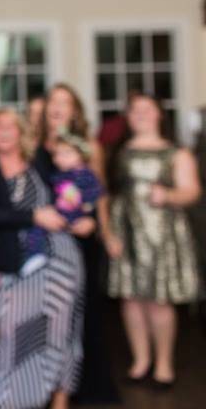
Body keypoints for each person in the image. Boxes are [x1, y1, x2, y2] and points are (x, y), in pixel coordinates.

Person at [0, 109, 90, 409]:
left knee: (61, 326)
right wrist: (34, 215)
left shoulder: (39, 159)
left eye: (11, 127)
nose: (5, 132)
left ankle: (60, 397)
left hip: (60, 255)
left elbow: (72, 185)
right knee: (12, 328)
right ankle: (11, 398)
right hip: (15, 261)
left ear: (21, 132)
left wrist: (83, 216)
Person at [106, 93, 200, 388]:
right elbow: (107, 195)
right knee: (131, 299)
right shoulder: (118, 152)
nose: (141, 114)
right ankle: (141, 361)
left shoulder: (176, 153)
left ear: (160, 114)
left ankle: (164, 365)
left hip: (162, 234)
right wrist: (109, 232)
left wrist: (169, 196)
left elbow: (192, 191)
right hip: (127, 232)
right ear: (129, 117)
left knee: (159, 300)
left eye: (147, 109)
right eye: (135, 110)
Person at [34, 83, 116, 404]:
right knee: (49, 314)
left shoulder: (89, 147)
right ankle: (44, 387)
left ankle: (82, 386)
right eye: (53, 102)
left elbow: (100, 193)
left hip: (80, 238)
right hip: (46, 238)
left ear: (75, 111)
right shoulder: (35, 145)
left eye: (65, 103)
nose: (57, 108)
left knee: (83, 313)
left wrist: (100, 228)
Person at [24, 132, 102, 276]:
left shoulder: (86, 175)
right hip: (60, 214)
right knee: (36, 230)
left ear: (80, 155)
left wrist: (88, 205)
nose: (60, 158)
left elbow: (97, 190)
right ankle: (34, 255)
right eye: (57, 154)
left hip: (76, 216)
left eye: (67, 153)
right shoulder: (57, 176)